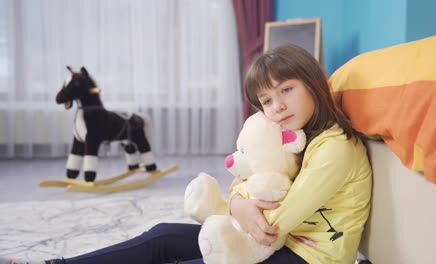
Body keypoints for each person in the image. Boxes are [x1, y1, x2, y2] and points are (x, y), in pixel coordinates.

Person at [2, 43, 372, 264]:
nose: (276, 106)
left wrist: (238, 204)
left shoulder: (335, 148)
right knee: (162, 236)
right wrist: (239, 199)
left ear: (312, 81)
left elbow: (271, 221)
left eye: (287, 90)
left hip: (305, 258)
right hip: (275, 244)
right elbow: (249, 180)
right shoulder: (296, 138)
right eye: (266, 100)